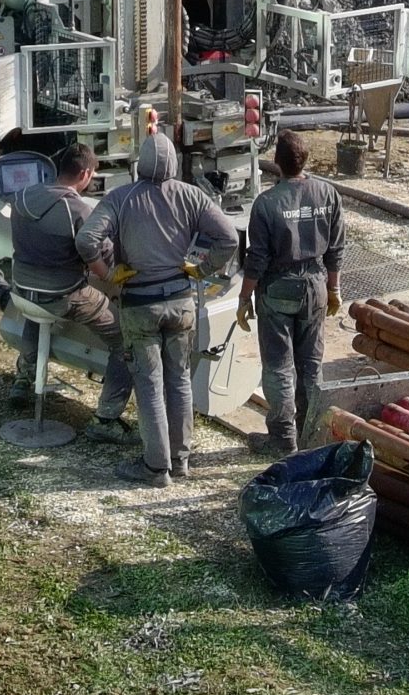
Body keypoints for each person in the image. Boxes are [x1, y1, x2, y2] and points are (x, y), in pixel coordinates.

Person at [75, 131, 237, 488]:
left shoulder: (121, 198)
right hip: (181, 303)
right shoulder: (192, 195)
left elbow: (86, 239)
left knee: (149, 385)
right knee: (179, 381)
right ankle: (180, 461)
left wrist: (107, 274)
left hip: (140, 304)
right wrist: (202, 269)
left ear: (140, 163)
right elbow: (230, 238)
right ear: (174, 163)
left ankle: (155, 467)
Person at [0, 144, 131, 438]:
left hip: (23, 290)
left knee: (36, 315)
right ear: (85, 174)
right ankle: (106, 419)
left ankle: (24, 378)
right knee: (125, 340)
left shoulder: (21, 197)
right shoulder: (79, 210)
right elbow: (106, 256)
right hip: (62, 296)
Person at [239, 129, 346, 455]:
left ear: (277, 162)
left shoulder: (266, 204)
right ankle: (310, 437)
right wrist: (334, 288)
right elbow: (336, 249)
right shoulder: (328, 194)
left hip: (278, 290)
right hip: (315, 287)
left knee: (278, 367)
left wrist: (244, 299)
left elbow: (257, 259)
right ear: (305, 160)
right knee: (311, 366)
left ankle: (283, 440)